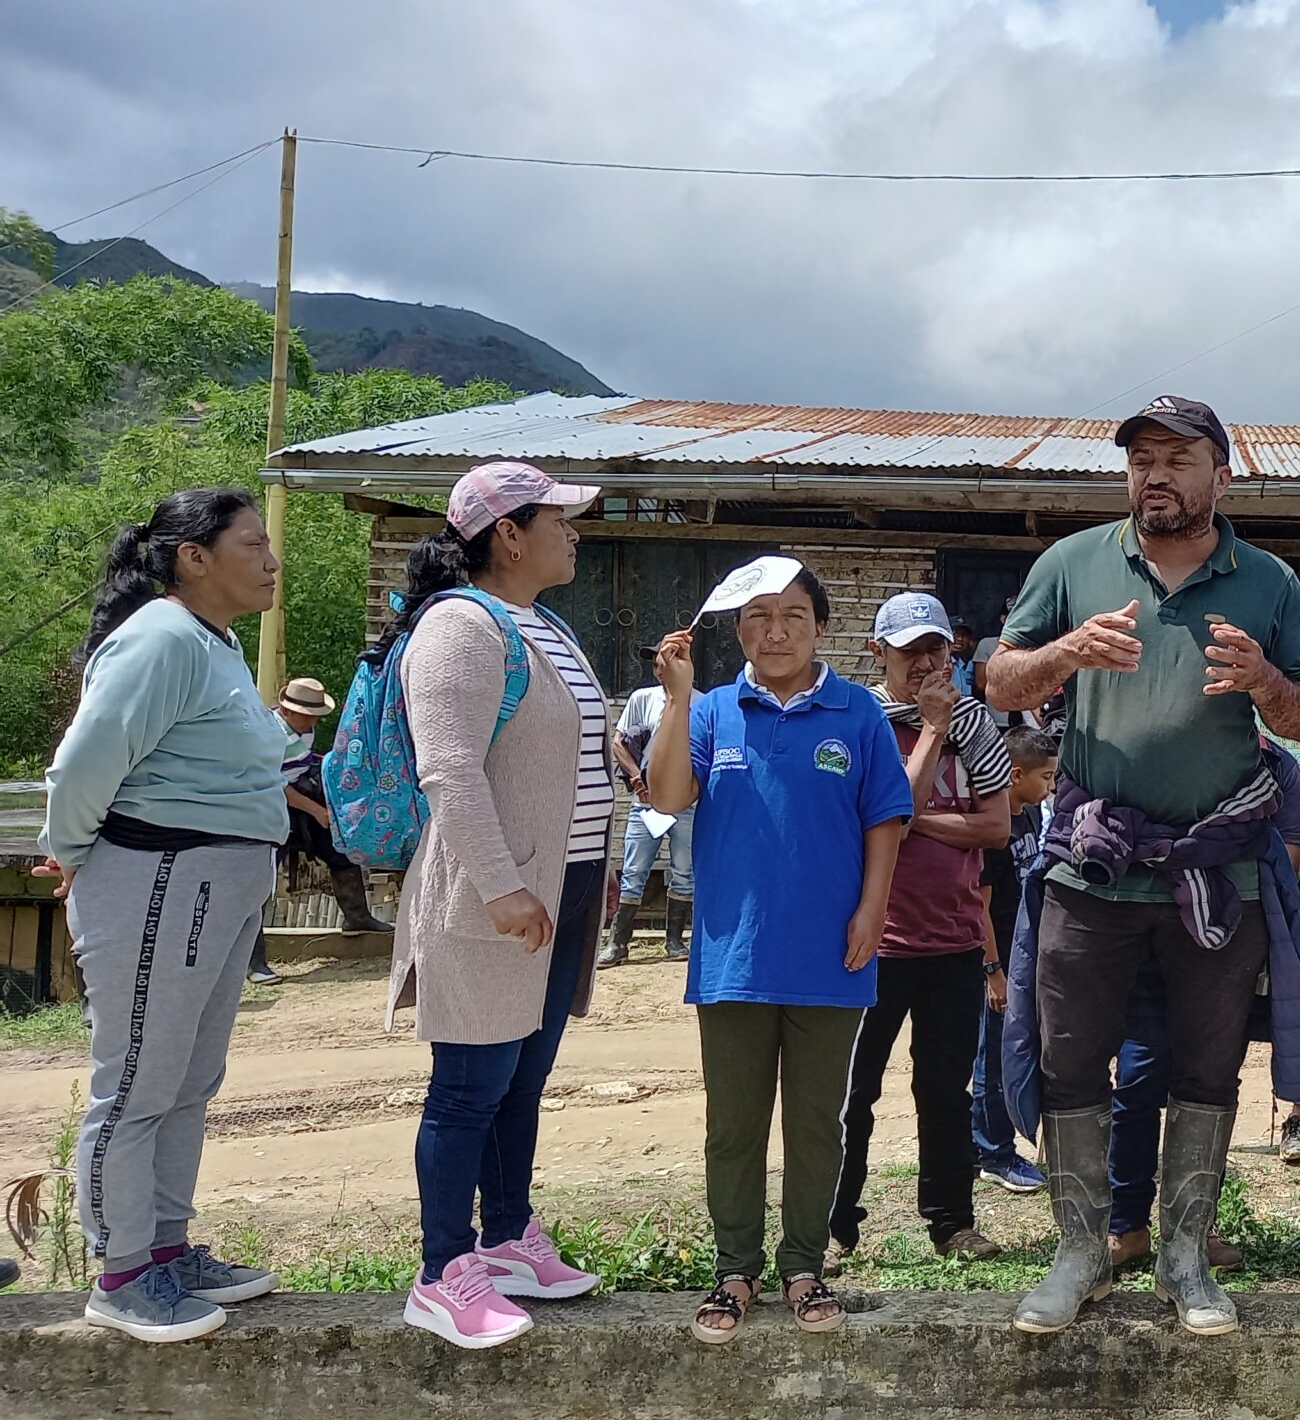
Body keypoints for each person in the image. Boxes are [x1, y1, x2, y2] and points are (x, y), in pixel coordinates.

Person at [985, 395, 1300, 1338]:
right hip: (1089, 872)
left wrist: (1264, 680)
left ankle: (1184, 1257)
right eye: (1142, 458)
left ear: (1224, 471)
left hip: (1216, 880)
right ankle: (1081, 1252)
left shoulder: (1268, 582)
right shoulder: (1074, 563)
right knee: (1068, 1058)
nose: (1156, 474)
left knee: (1208, 1064)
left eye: (1179, 457)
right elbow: (998, 681)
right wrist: (1062, 652)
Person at [40, 488, 288, 1343]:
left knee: (187, 1080)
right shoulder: (159, 638)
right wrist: (70, 850)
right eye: (252, 543)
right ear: (194, 557)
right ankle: (121, 1272)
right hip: (161, 878)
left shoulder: (210, 644)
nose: (271, 558)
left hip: (214, 882)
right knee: (140, 1081)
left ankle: (165, 1249)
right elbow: (86, 760)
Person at [646, 560, 912, 1343]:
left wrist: (872, 910)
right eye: (759, 616)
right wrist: (675, 699)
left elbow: (886, 820)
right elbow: (665, 798)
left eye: (793, 614)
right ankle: (735, 1269)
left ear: (819, 626)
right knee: (732, 1124)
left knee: (816, 1123)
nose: (776, 630)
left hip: (833, 954)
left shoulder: (858, 712)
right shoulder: (713, 711)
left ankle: (803, 1265)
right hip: (733, 955)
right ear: (737, 631)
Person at [380, 463, 611, 1348]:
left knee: (524, 1076)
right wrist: (503, 886)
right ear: (509, 534)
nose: (575, 533)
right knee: (468, 1087)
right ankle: (444, 1270)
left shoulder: (543, 624)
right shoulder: (461, 627)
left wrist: (591, 864)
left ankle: (508, 1236)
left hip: (563, 887)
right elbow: (450, 769)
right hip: (495, 895)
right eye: (562, 520)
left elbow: (571, 763)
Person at [829, 593, 1015, 1264]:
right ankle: (835, 1224)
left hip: (955, 942)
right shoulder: (860, 722)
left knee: (944, 1090)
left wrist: (911, 822)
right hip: (870, 943)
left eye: (938, 649)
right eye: (913, 653)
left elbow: (995, 827)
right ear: (880, 654)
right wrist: (932, 735)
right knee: (852, 1092)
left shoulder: (974, 722)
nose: (929, 664)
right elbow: (875, 814)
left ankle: (950, 1222)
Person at [1104, 735, 1300, 1273]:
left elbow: (1284, 857)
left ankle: (1194, 1227)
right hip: (1142, 935)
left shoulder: (1274, 766)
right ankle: (1127, 1225)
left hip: (1227, 942)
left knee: (1211, 1081)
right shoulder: (1142, 749)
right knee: (1139, 1076)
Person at [262, 675, 392, 986]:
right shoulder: (268, 734)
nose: (311, 721)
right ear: (286, 710)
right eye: (306, 715)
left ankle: (357, 916)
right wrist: (318, 810)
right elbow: (274, 783)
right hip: (270, 805)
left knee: (340, 850)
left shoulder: (301, 729)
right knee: (262, 879)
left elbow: (302, 764)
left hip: (300, 794)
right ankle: (255, 961)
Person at [973, 727, 1058, 1195]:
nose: (1050, 787)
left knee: (1009, 1050)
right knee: (993, 1058)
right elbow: (979, 904)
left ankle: (988, 1142)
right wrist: (993, 970)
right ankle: (994, 1152)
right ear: (1015, 773)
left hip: (1021, 958)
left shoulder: (1025, 817)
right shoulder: (994, 828)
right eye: (1045, 777)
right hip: (997, 960)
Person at [602, 655, 699, 968]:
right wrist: (634, 776)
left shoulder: (701, 703)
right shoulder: (642, 699)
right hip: (646, 801)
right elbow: (619, 743)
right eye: (657, 665)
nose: (660, 671)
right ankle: (618, 943)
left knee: (684, 872)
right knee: (633, 871)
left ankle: (674, 940)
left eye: (665, 664)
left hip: (687, 803)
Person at [951, 621, 980, 698]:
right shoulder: (940, 663)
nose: (960, 639)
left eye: (964, 635)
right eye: (955, 634)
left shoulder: (969, 663)